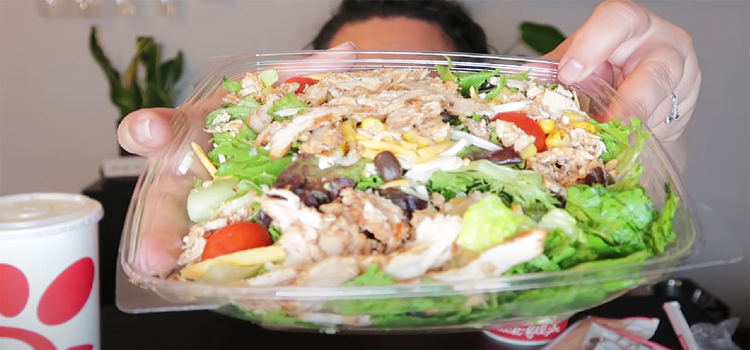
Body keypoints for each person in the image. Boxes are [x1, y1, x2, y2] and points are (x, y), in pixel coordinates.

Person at [122, 0, 700, 276]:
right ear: (309, 83)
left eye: (419, 80)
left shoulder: (530, 136)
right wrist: (234, 135)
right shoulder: (270, 140)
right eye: (357, 83)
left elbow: (626, 240)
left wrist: (657, 120)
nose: (389, 102)